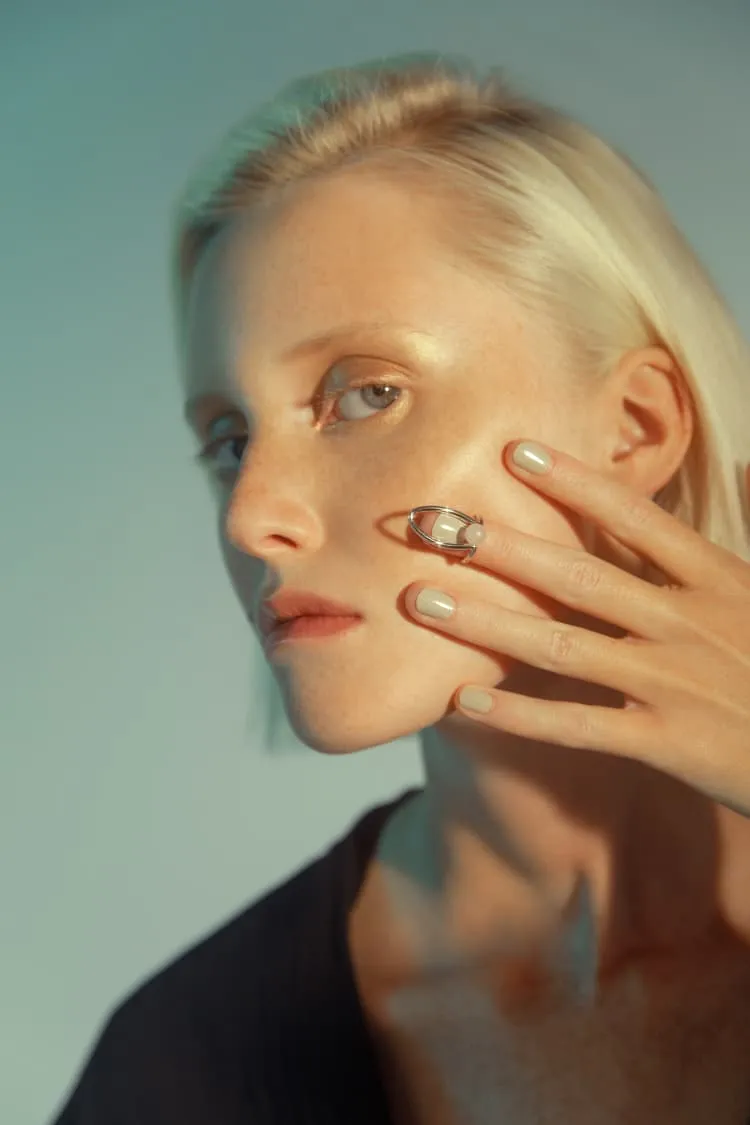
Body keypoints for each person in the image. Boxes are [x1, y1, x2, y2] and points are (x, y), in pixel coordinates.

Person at [50, 52, 750, 1124]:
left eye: (365, 393)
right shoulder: (176, 1067)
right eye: (229, 441)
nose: (251, 514)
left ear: (636, 430)